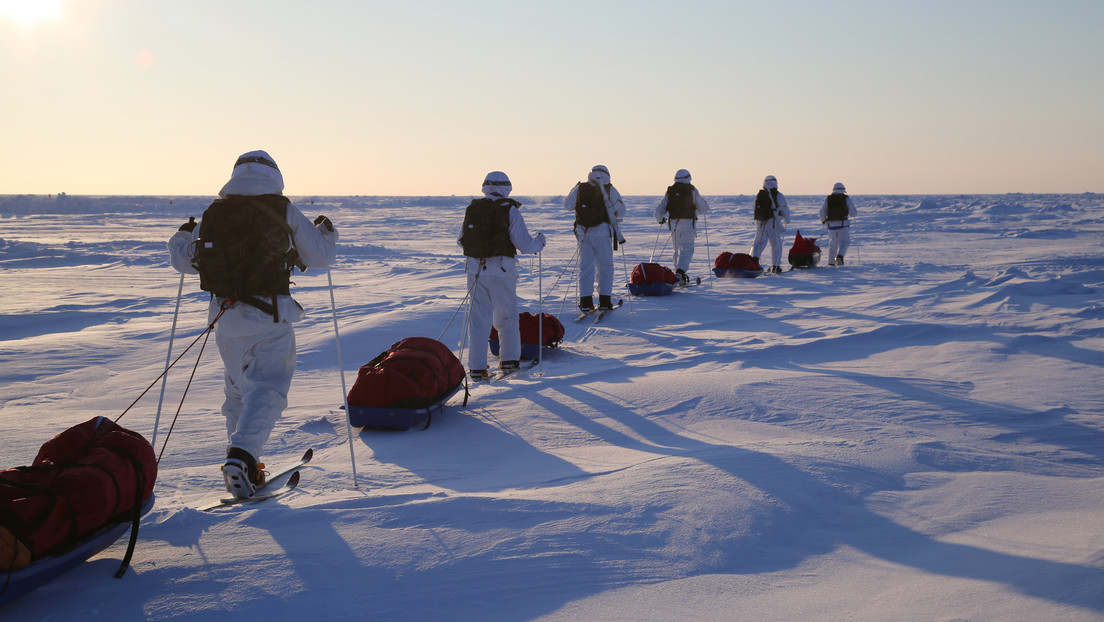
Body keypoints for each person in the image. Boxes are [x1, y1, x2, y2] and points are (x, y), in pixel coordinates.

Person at [168, 150, 337, 498]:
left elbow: (184, 261)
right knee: (268, 389)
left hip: (224, 319)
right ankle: (243, 457)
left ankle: (245, 466)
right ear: (275, 176)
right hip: (269, 315)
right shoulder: (283, 209)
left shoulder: (215, 213)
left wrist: (183, 236)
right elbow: (319, 257)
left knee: (238, 392)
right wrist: (327, 234)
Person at [458, 171, 546, 380]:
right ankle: (509, 363)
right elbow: (524, 245)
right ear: (507, 187)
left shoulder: (473, 209)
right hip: (502, 270)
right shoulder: (510, 210)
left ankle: (477, 368)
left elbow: (461, 240)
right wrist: (540, 242)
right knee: (506, 317)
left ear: (485, 187)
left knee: (479, 319)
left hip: (475, 270)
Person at [565, 164, 626, 311]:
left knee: (586, 267)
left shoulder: (580, 188)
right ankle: (605, 301)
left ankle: (585, 302)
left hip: (583, 232)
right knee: (605, 267)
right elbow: (622, 211)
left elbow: (567, 205)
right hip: (602, 233)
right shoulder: (609, 188)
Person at [654, 169, 709, 283]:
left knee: (676, 249)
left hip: (674, 223)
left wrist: (660, 220)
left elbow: (660, 209)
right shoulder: (692, 190)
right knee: (687, 249)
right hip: (688, 223)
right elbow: (703, 208)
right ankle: (680, 273)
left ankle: (677, 275)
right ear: (688, 178)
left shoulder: (671, 190)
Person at [749, 174, 791, 273]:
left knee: (759, 242)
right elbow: (785, 208)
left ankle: (753, 261)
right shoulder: (778, 195)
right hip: (773, 222)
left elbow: (754, 208)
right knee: (776, 244)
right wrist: (787, 219)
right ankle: (776, 266)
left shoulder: (760, 195)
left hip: (761, 222)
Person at [819, 182, 857, 265]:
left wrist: (824, 222)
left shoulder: (828, 199)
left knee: (833, 244)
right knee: (845, 243)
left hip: (831, 226)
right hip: (843, 225)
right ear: (843, 190)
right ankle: (840, 257)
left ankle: (831, 262)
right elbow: (854, 213)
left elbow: (822, 212)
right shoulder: (846, 199)